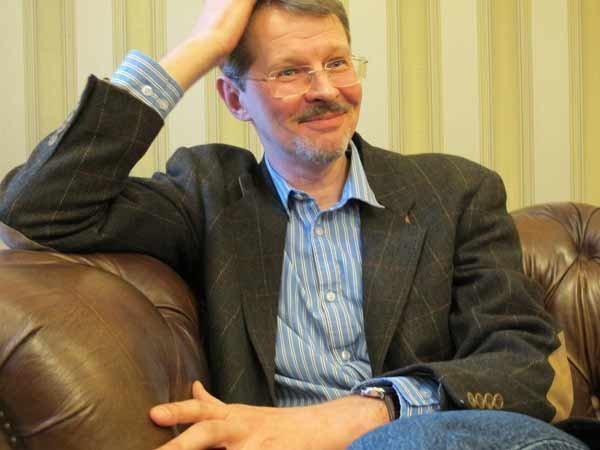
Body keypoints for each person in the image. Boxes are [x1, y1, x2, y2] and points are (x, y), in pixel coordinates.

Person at [0, 1, 592, 449]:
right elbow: (38, 205)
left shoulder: (456, 192)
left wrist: (366, 412)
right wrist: (201, 46)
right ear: (234, 99)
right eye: (290, 72)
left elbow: (522, 363)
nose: (327, 90)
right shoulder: (207, 194)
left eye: (337, 63)